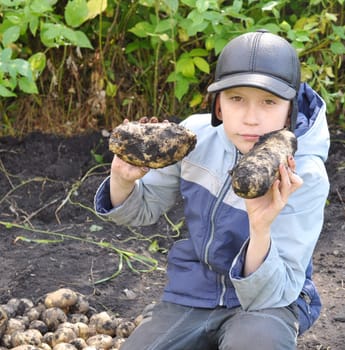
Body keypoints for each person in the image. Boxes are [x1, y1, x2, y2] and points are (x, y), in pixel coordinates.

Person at [94, 29, 330, 350]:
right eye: (236, 99)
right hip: (194, 292)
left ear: (290, 110)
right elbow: (144, 210)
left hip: (270, 303)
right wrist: (123, 178)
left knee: (255, 343)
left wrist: (260, 228)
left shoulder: (304, 175)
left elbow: (278, 289)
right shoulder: (194, 137)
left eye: (269, 102)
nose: (251, 118)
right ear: (217, 106)